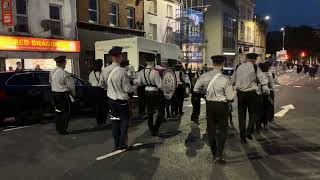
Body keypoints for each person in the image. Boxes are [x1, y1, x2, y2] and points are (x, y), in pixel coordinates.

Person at [194, 55, 235, 164]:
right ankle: (219, 155)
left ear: (212, 64)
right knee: (222, 130)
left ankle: (214, 153)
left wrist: (206, 93)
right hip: (222, 106)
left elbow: (196, 89)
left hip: (210, 105)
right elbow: (230, 97)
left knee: (211, 129)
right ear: (222, 64)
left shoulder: (204, 76)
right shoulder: (226, 79)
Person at [100, 46, 134, 151]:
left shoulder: (105, 70)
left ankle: (116, 144)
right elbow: (127, 89)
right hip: (122, 102)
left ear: (111, 57)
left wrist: (109, 89)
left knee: (114, 122)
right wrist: (135, 87)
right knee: (124, 122)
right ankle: (122, 144)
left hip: (111, 101)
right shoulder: (122, 71)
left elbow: (102, 85)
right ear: (120, 57)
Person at [232, 53, 270, 144]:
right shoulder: (255, 67)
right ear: (254, 60)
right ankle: (249, 131)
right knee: (253, 113)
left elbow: (233, 80)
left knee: (242, 115)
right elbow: (263, 80)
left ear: (246, 58)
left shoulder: (238, 67)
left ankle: (242, 138)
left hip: (240, 94)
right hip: (252, 94)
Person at [135, 56, 164, 136]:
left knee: (149, 112)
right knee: (161, 111)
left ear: (146, 62)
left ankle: (152, 130)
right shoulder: (155, 72)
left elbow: (139, 83)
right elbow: (160, 86)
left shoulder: (141, 72)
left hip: (146, 92)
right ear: (153, 62)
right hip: (155, 93)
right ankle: (156, 128)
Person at [49, 56, 75, 135]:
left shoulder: (52, 72)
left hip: (54, 93)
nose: (65, 64)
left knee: (58, 111)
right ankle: (63, 129)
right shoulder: (64, 73)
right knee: (66, 112)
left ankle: (58, 128)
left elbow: (50, 82)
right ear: (62, 63)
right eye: (65, 63)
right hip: (63, 94)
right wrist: (73, 94)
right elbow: (71, 86)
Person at [88, 59, 106, 125]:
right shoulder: (102, 73)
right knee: (103, 106)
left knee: (97, 106)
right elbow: (105, 82)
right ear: (101, 65)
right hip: (101, 90)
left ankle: (98, 121)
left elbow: (90, 82)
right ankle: (103, 121)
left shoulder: (91, 73)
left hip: (94, 91)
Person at [259, 62, 276, 129]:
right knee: (266, 108)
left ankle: (258, 124)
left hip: (258, 93)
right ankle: (265, 124)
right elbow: (272, 85)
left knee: (258, 109)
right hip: (266, 93)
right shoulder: (269, 74)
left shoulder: (258, 74)